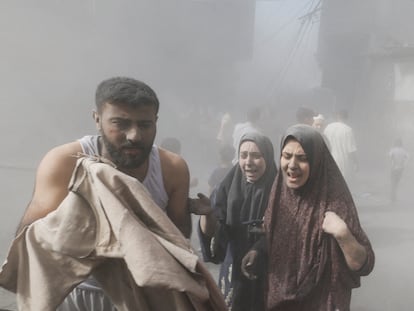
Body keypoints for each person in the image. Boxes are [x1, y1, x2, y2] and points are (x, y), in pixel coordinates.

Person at [15, 77, 193, 310]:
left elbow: (180, 236)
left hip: (143, 296)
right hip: (74, 293)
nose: (134, 136)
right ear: (97, 119)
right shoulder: (65, 162)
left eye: (145, 125)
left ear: (156, 122)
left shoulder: (172, 169)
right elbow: (29, 237)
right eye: (120, 123)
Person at [243, 124, 374, 311]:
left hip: (321, 302)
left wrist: (343, 234)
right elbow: (278, 234)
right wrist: (259, 251)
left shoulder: (335, 203)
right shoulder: (279, 192)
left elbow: (363, 264)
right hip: (278, 301)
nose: (292, 165)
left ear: (317, 161)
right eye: (286, 156)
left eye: (302, 158)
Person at [191, 132, 277, 311]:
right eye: (243, 155)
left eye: (256, 156)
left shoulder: (281, 192)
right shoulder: (226, 188)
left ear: (268, 158)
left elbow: (289, 233)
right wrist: (208, 215)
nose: (248, 162)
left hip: (270, 275)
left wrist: (261, 247)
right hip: (234, 273)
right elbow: (214, 241)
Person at [324, 109, 358, 183]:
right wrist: (356, 163)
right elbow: (351, 150)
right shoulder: (348, 130)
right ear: (347, 117)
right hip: (343, 163)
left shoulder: (328, 127)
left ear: (337, 116)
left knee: (330, 184)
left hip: (329, 161)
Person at [388, 137, 409, 202]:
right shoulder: (404, 151)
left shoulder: (393, 150)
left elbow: (390, 157)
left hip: (394, 168)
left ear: (395, 143)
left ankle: (393, 197)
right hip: (400, 169)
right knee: (396, 183)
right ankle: (394, 197)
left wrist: (392, 164)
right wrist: (404, 165)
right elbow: (407, 158)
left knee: (393, 183)